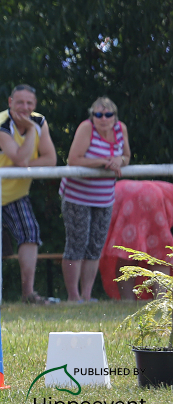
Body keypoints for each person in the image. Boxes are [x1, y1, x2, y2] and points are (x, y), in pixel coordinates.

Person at [0, 84, 58, 302]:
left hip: (15, 191)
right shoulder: (0, 124)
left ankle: (29, 295)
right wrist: (32, 132)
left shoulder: (40, 121)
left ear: (35, 105)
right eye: (20, 102)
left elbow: (51, 160)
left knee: (30, 233)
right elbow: (21, 159)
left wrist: (17, 166)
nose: (25, 107)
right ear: (10, 103)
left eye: (30, 103)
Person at [59, 97, 131, 302]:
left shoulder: (120, 129)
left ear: (115, 116)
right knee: (76, 244)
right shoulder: (86, 128)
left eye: (108, 114)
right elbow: (74, 159)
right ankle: (73, 297)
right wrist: (104, 162)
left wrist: (119, 160)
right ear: (92, 116)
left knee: (95, 246)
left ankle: (87, 295)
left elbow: (126, 156)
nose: (103, 118)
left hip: (104, 197)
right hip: (77, 196)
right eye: (98, 114)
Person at [99, 180, 173, 300]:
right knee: (161, 252)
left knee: (127, 250)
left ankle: (127, 300)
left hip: (118, 193)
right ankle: (161, 300)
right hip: (149, 195)